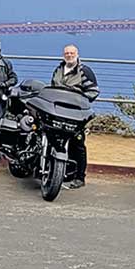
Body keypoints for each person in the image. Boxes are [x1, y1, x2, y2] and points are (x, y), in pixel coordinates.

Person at [49, 44, 98, 189]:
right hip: (58, 111)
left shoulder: (84, 71)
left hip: (75, 113)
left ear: (77, 54)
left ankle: (79, 177)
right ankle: (63, 173)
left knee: (77, 144)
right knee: (58, 140)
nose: (69, 55)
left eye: (71, 53)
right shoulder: (58, 69)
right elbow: (52, 87)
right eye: (66, 53)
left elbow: (93, 91)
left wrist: (79, 100)